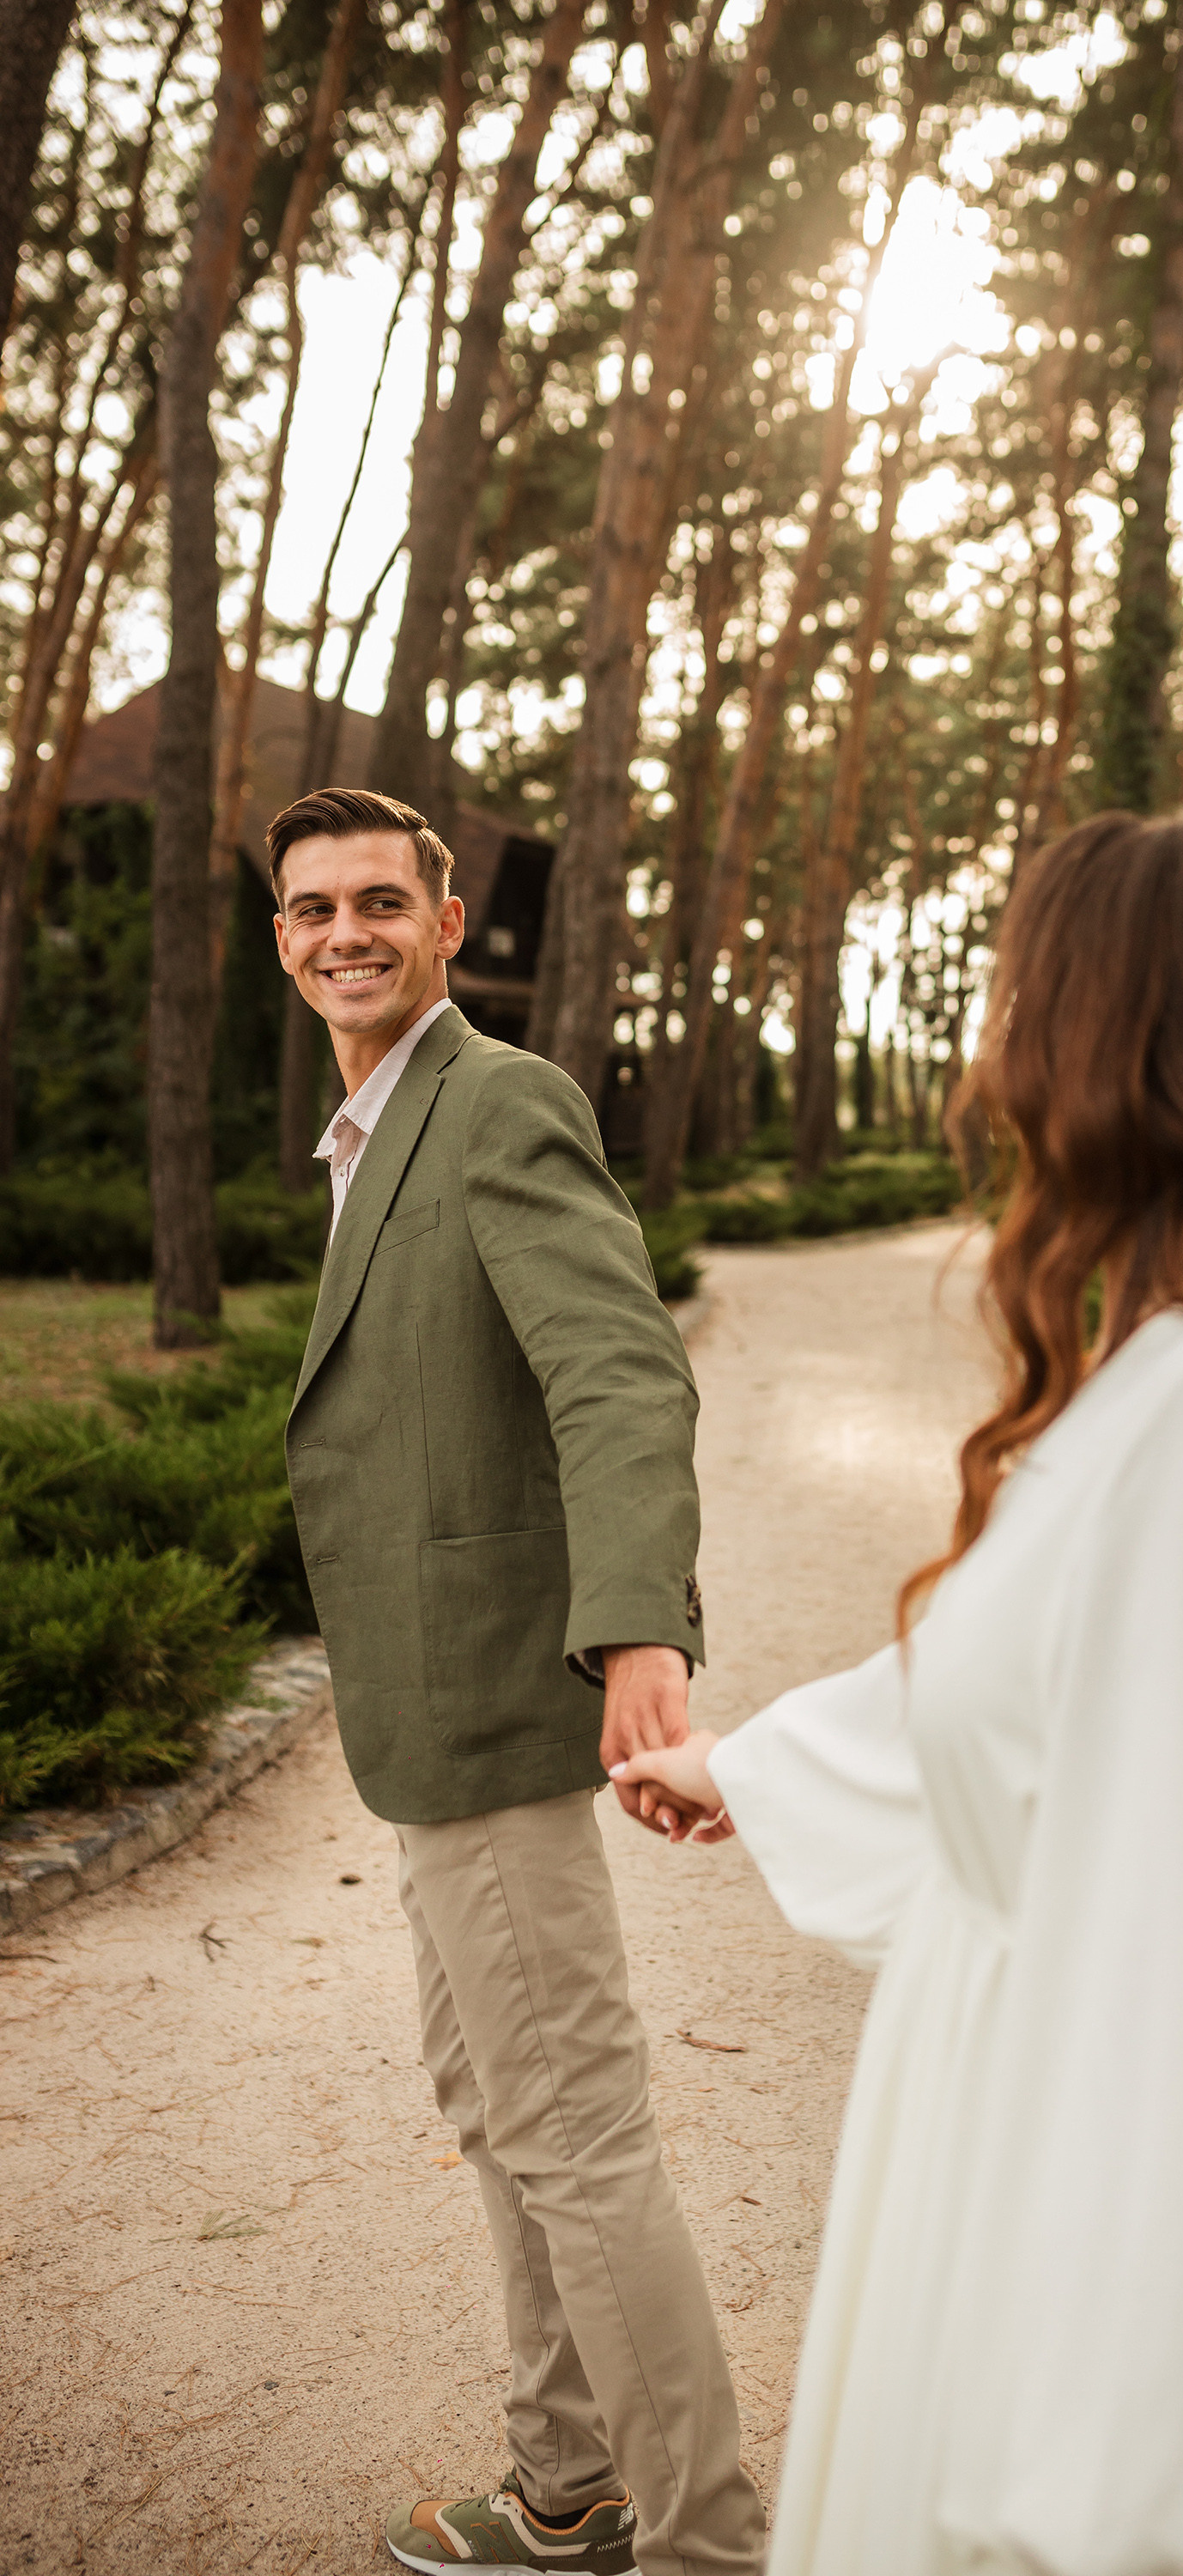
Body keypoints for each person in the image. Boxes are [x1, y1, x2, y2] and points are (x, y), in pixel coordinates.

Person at [611, 809, 1183, 2576]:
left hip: (1112, 2281)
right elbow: (1045, 1694)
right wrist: (757, 1769)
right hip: (1012, 2138)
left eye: (1033, 998)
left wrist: (1110, 2474)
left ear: (1128, 1034)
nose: (998, 1055)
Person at [270, 787, 763, 2576]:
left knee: (572, 2130)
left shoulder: (496, 1103)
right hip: (428, 1725)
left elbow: (619, 1376)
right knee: (501, 2110)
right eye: (315, 908)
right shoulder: (364, 1129)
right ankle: (569, 2487)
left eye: (380, 902)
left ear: (446, 918)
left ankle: (708, 2544)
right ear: (280, 938)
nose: (347, 933)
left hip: (493, 1706)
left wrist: (640, 1624)